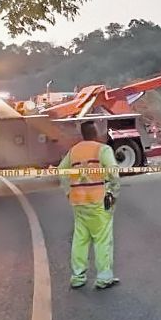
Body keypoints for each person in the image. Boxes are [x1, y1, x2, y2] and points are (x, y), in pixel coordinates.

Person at [58, 121, 121, 290]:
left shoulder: (74, 151)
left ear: (83, 134)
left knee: (81, 238)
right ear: (96, 134)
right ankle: (104, 278)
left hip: (78, 201)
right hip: (98, 200)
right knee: (102, 239)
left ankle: (78, 277)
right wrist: (114, 194)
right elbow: (114, 174)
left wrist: (68, 192)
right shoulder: (102, 150)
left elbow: (61, 170)